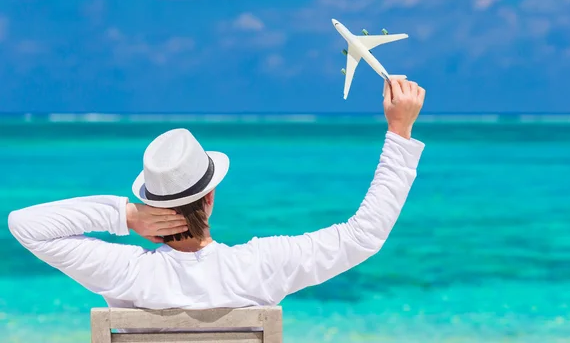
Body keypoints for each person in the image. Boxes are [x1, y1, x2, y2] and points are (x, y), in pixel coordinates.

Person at [8, 79, 426, 310]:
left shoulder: (128, 273)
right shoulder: (261, 266)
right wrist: (399, 132)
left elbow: (24, 226)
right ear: (209, 197)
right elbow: (365, 235)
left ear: (153, 202)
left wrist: (126, 217)